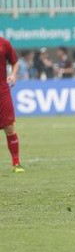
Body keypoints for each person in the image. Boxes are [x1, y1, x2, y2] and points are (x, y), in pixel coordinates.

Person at [0, 37, 24, 173]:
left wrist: (13, 74)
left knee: (9, 127)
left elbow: (15, 62)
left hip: (2, 92)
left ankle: (16, 163)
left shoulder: (4, 43)